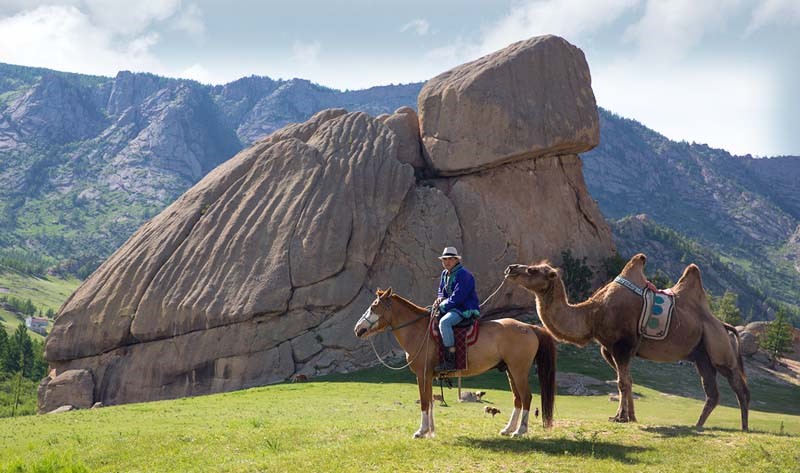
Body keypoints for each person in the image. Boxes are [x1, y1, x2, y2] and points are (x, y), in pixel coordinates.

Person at [434, 247, 480, 372]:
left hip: (464, 308)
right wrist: (440, 298)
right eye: (444, 259)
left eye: (450, 259)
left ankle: (451, 361)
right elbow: (441, 291)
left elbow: (458, 297)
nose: (447, 262)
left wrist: (442, 306)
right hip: (451, 307)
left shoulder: (464, 275)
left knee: (445, 323)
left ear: (456, 260)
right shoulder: (444, 274)